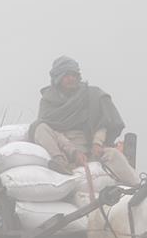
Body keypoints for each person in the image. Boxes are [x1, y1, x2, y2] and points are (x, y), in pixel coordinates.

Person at [29, 55, 141, 185]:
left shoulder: (91, 95)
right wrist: (73, 152)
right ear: (58, 78)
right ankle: (60, 163)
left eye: (74, 75)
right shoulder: (48, 101)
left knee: (113, 154)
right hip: (62, 149)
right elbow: (51, 131)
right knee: (39, 127)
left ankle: (138, 186)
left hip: (89, 149)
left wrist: (97, 143)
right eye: (66, 75)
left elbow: (102, 122)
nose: (71, 78)